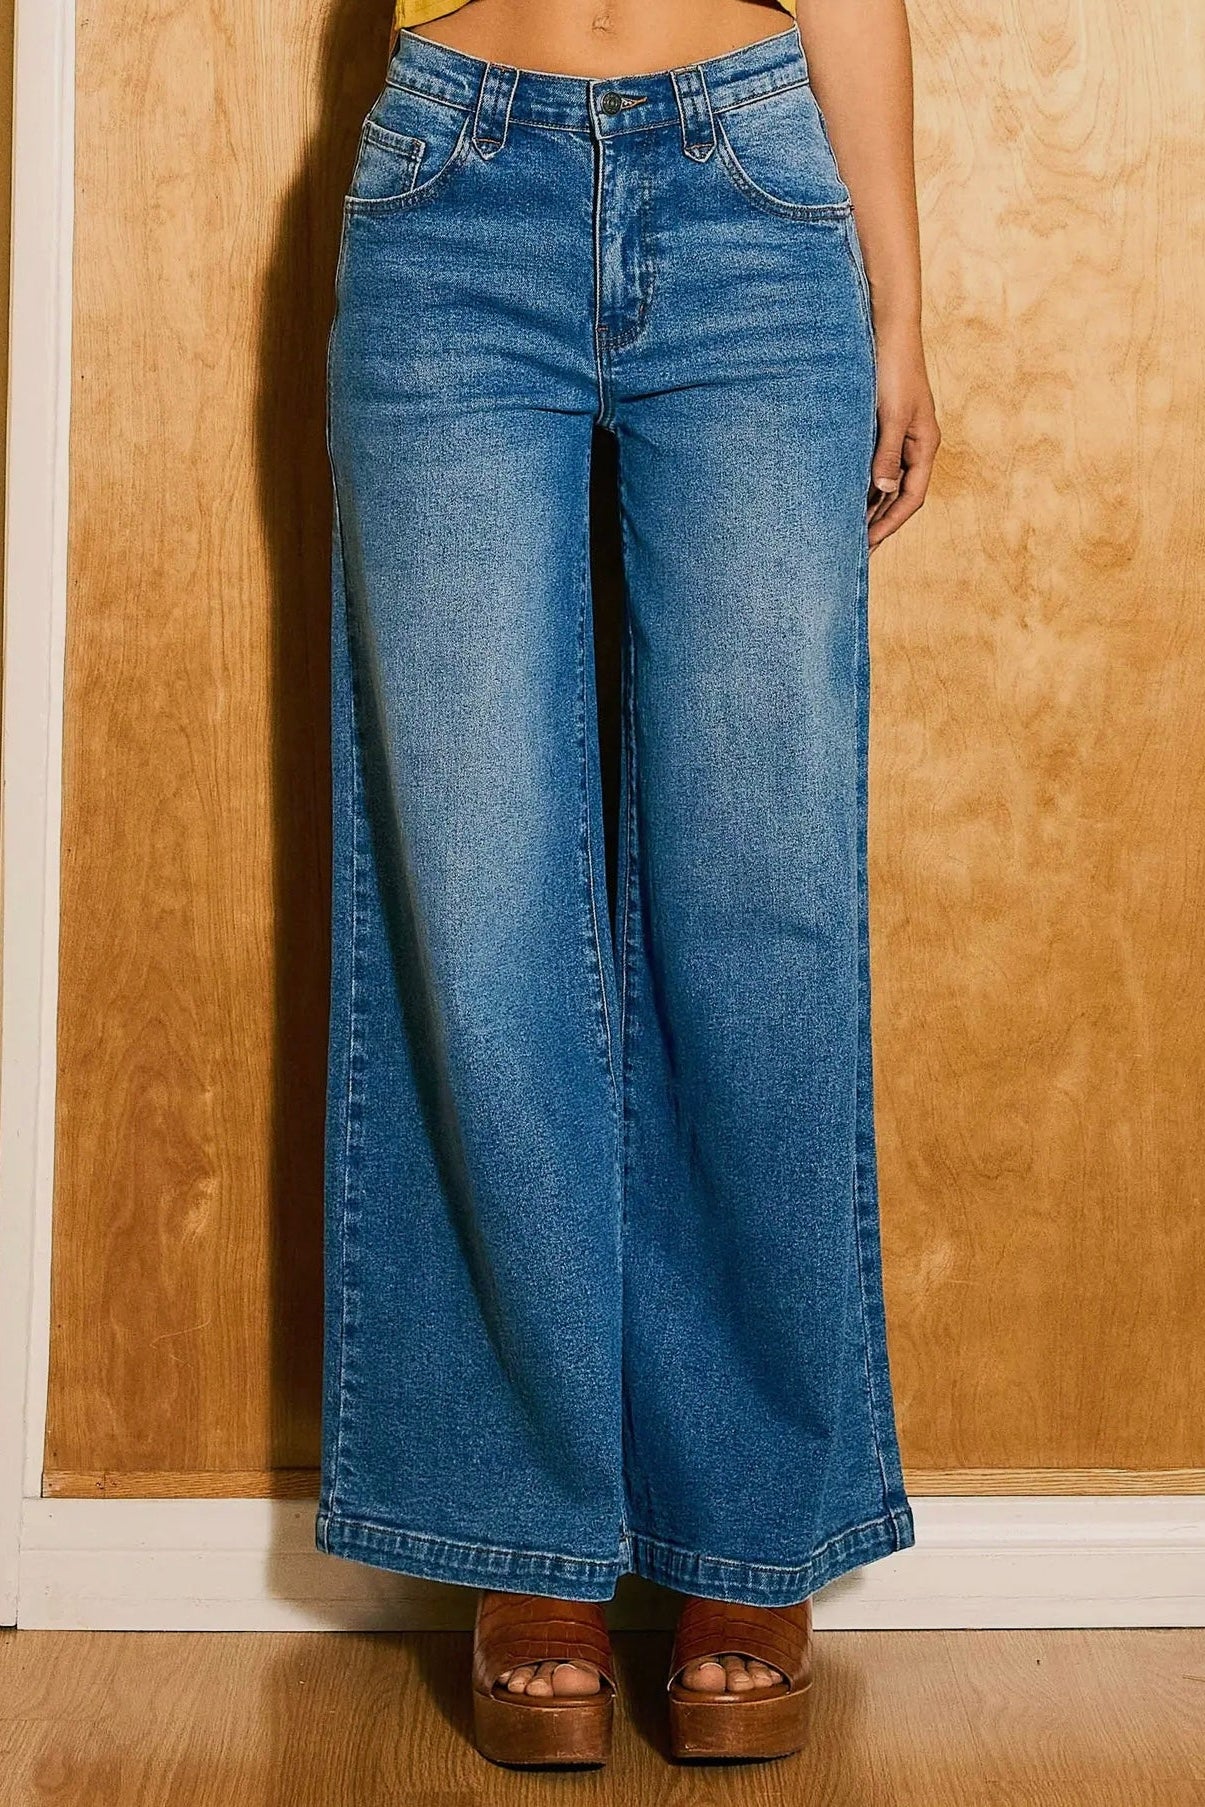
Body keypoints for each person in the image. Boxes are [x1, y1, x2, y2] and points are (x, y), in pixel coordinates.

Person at [315, 0, 939, 1767]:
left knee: (760, 891)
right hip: (451, 191)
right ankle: (522, 1533)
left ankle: (748, 1534)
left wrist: (899, 304)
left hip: (755, 198)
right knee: (473, 901)